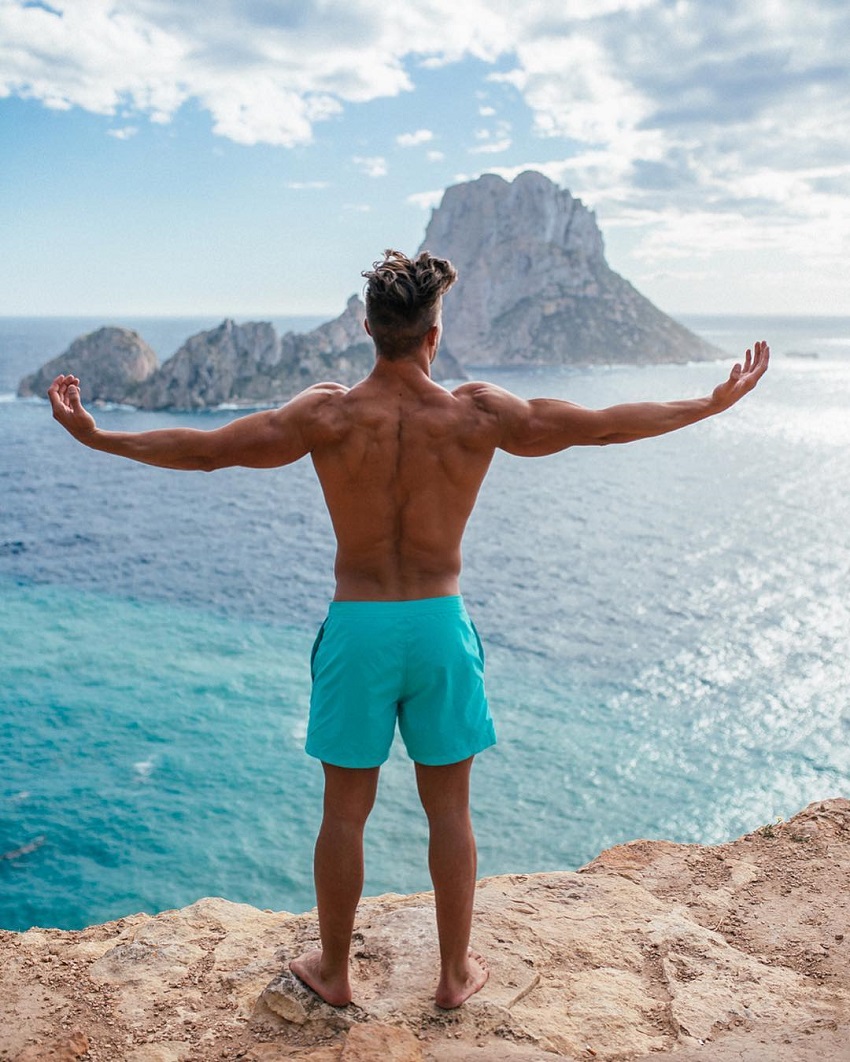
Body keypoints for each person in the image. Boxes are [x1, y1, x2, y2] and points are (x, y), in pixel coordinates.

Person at [48, 249, 769, 1010]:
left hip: (358, 629)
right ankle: (455, 975)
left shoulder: (326, 413)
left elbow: (207, 451)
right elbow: (599, 427)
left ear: (368, 329)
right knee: (450, 809)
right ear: (435, 332)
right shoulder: (477, 413)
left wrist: (100, 437)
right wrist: (706, 404)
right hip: (438, 627)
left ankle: (333, 972)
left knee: (343, 814)